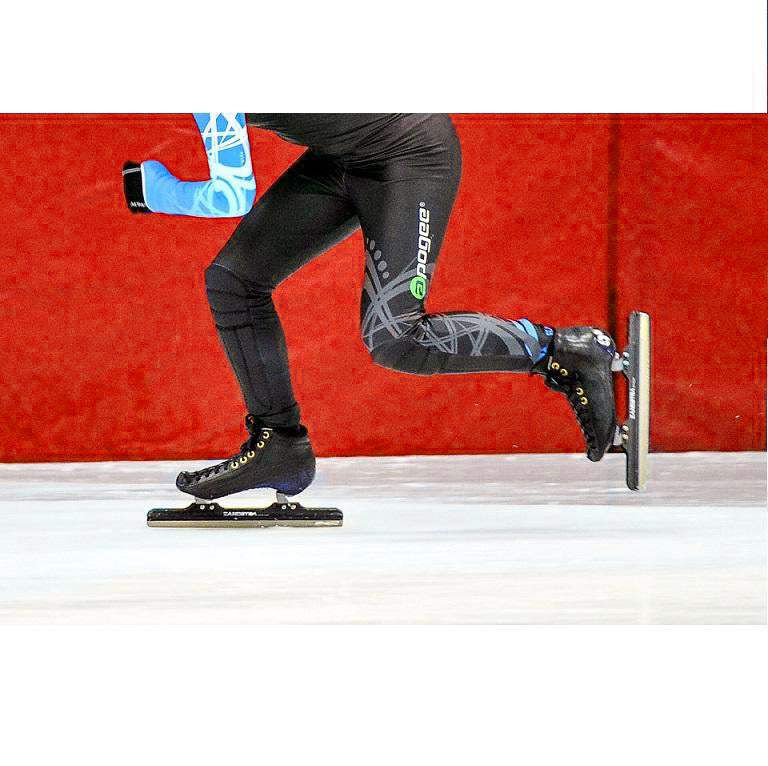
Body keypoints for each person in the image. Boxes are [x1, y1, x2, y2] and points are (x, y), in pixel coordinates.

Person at [123, 113, 618, 501]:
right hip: (345, 156)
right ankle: (279, 444)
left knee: (395, 338)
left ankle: (565, 351)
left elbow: (231, 195)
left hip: (410, 155)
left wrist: (153, 189)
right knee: (234, 281)